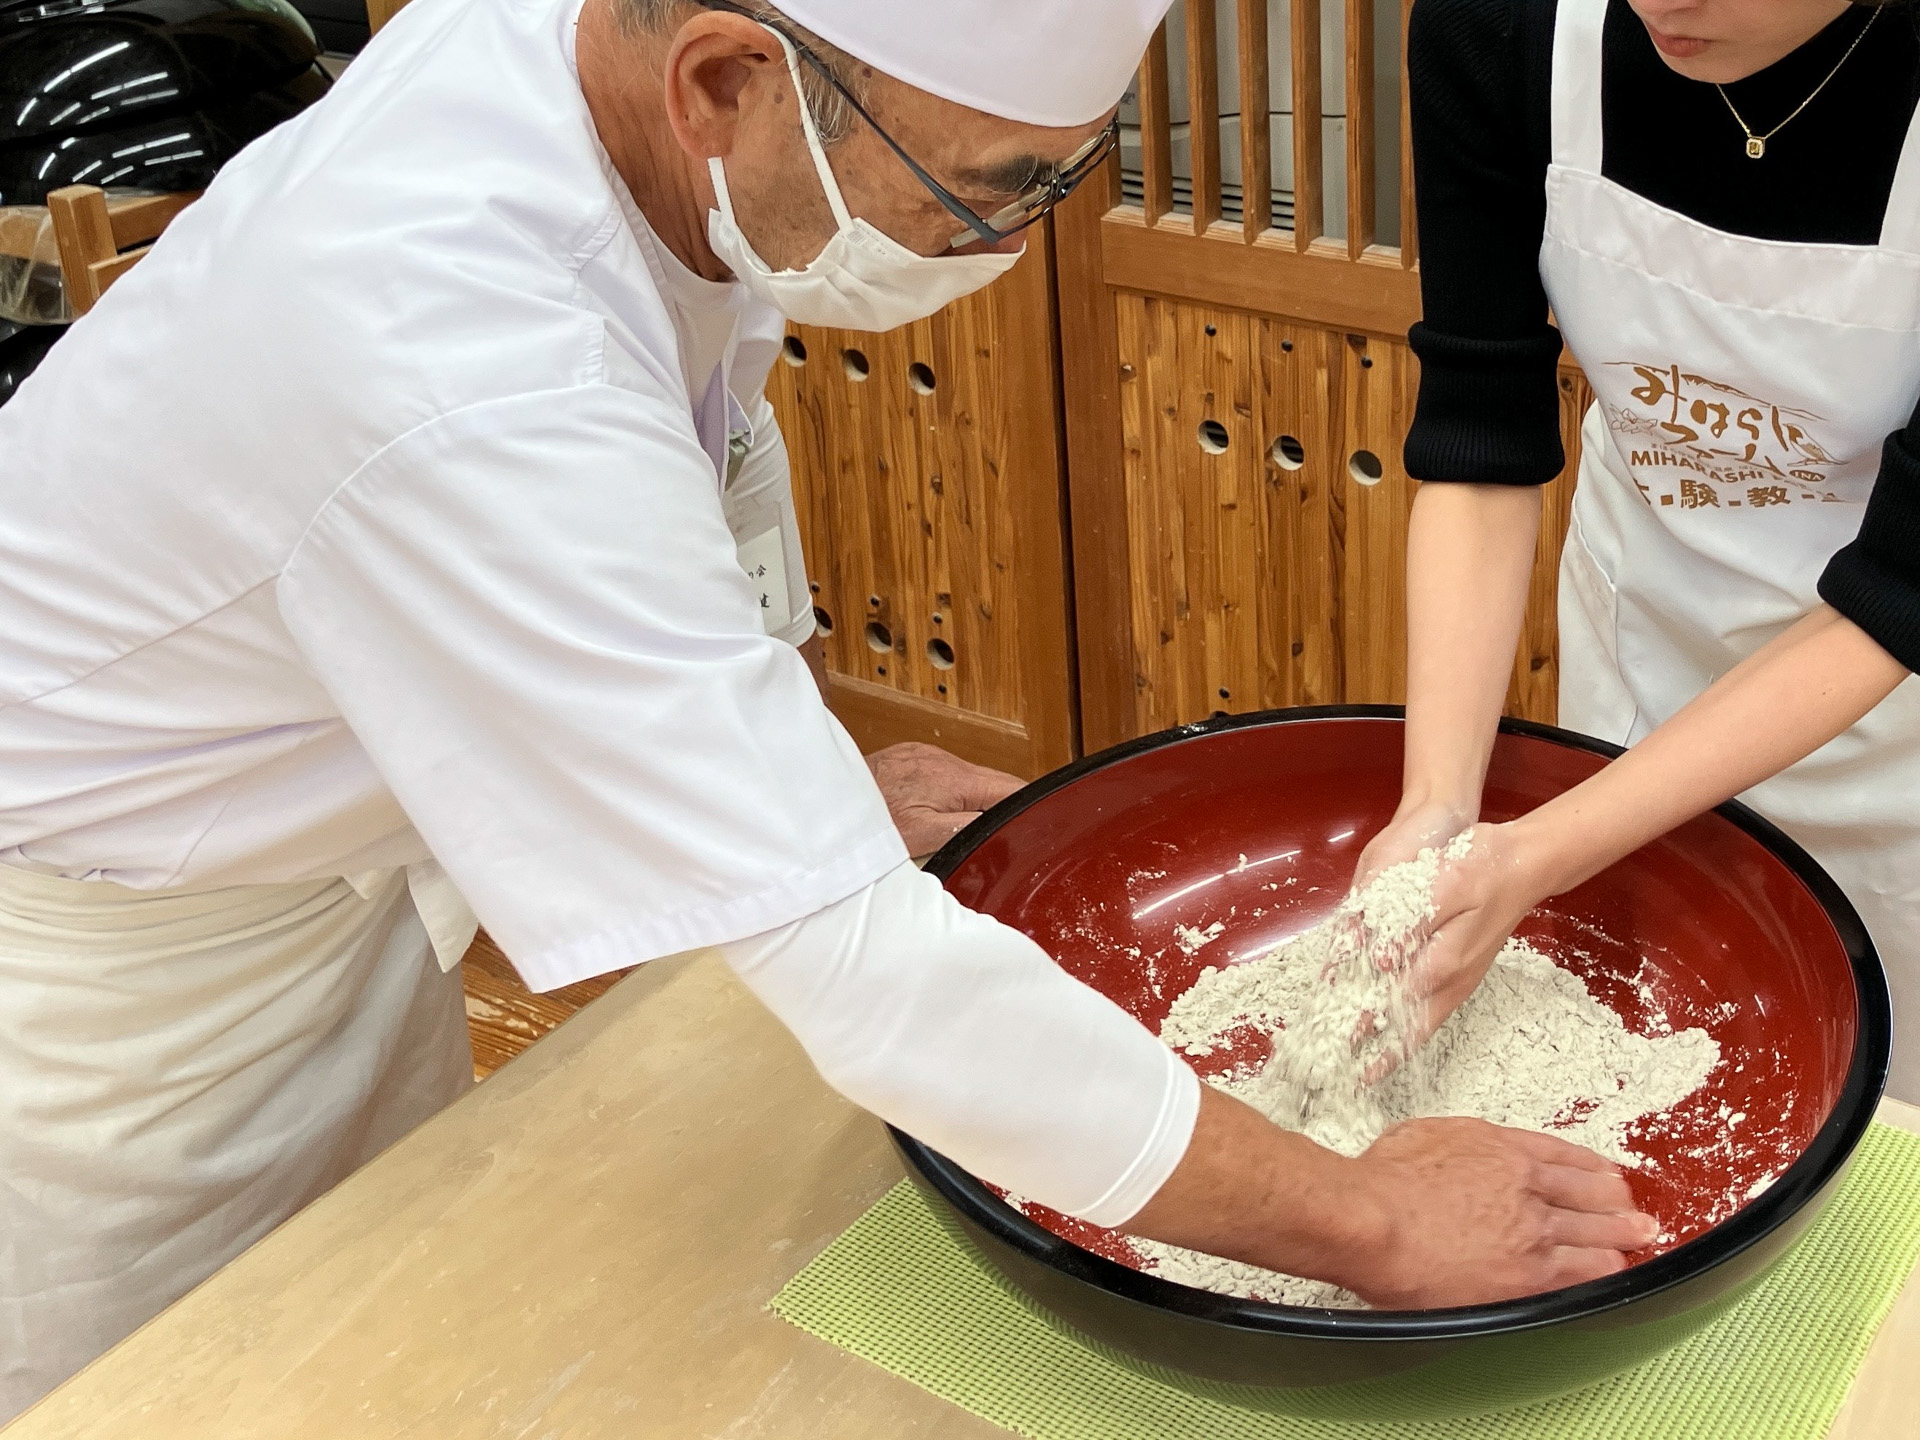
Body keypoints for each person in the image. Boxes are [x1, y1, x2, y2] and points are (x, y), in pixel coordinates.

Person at [0, 0, 1654, 1413]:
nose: (1003, 250)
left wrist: (817, 760)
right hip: (96, 1011)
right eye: (977, 194)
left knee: (377, 1324)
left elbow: (696, 417)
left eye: (1054, 187)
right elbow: (870, 982)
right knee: (171, 1383)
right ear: (721, 81)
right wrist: (1365, 1221)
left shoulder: (618, 99)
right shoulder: (449, 362)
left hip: (320, 895)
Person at [1369, 0, 1920, 1090]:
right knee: (1628, 1067)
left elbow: (1902, 589)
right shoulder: (1503, 28)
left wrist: (1531, 857)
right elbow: (1481, 444)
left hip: (1898, 746)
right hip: (1640, 664)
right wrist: (1439, 807)